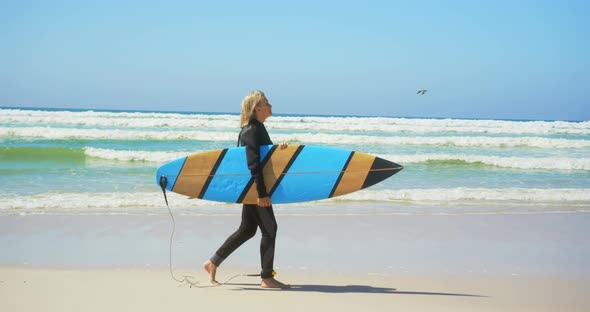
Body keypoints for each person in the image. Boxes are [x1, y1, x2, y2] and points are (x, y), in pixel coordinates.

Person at [203, 90, 290, 289]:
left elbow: (265, 159)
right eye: (266, 102)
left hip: (250, 187)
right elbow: (253, 164)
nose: (270, 105)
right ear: (256, 108)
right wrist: (261, 194)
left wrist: (279, 151)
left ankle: (212, 263)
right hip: (254, 188)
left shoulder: (256, 128)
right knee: (269, 229)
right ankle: (267, 278)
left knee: (247, 230)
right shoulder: (252, 130)